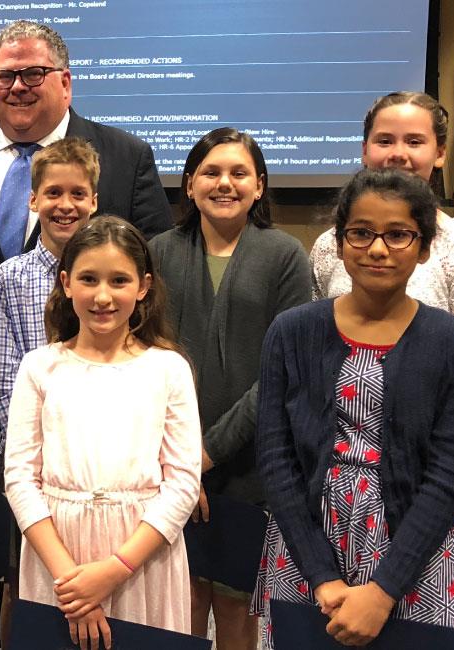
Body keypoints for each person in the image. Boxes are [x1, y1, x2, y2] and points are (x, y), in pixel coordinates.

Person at [253, 168, 454, 649]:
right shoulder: (291, 331)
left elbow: (451, 479)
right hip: (306, 546)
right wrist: (321, 575)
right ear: (339, 243)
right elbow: (276, 461)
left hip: (414, 553)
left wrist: (382, 592)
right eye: (360, 233)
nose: (377, 249)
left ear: (423, 248)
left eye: (399, 235)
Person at [4, 216, 202, 645]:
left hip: (141, 554)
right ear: (66, 282)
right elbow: (19, 477)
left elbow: (183, 482)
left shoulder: (167, 368)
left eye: (119, 280)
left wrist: (114, 570)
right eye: (89, 279)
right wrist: (72, 583)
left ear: (143, 286)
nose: (103, 296)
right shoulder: (40, 366)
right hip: (56, 552)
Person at [149, 127, 311, 648]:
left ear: (259, 186)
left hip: (249, 462)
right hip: (164, 459)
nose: (225, 183)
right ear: (189, 183)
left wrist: (209, 453)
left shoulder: (285, 255)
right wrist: (180, 461)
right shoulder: (157, 252)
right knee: (181, 597)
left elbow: (283, 372)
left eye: (239, 173)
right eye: (211, 172)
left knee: (238, 604)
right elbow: (144, 358)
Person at [0, 21, 171, 265]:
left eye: (33, 74)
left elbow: (153, 262)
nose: (17, 87)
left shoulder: (128, 158)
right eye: (5, 76)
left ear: (65, 83)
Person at [0, 135, 99, 645]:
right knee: (23, 582)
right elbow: (6, 380)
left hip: (100, 464)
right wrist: (42, 454)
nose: (65, 205)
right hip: (32, 464)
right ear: (32, 200)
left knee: (98, 580)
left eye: (78, 193)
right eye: (53, 193)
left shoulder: (109, 276)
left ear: (94, 200)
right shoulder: (8, 278)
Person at [309, 92, 454, 356]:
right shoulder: (328, 245)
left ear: (439, 153)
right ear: (365, 151)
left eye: (414, 142)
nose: (398, 154)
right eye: (385, 141)